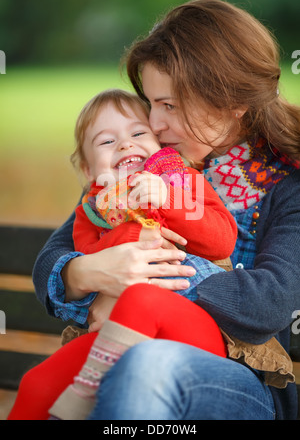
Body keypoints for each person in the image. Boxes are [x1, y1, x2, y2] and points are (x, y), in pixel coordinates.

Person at [11, 0, 300, 420]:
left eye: (171, 104)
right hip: (124, 350)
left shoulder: (286, 184)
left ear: (232, 102)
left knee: (147, 365)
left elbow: (266, 303)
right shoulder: (144, 161)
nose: (156, 123)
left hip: (238, 381)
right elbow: (51, 264)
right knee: (49, 382)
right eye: (151, 102)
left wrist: (146, 279)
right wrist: (89, 272)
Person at [8, 88, 237, 420]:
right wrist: (124, 236)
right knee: (36, 384)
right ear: (88, 171)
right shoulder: (92, 210)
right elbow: (91, 257)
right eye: (106, 141)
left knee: (142, 300)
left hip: (189, 332)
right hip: (119, 335)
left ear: (160, 146)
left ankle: (85, 390)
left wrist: (168, 200)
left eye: (138, 133)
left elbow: (222, 241)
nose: (126, 145)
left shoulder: (184, 182)